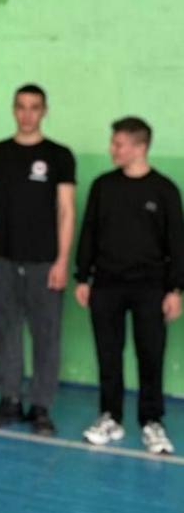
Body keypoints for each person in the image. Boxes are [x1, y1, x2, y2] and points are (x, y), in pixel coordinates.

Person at [75, 117, 183, 454]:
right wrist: (82, 277)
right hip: (106, 285)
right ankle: (110, 417)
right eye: (113, 143)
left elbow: (177, 244)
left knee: (150, 354)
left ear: (140, 147)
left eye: (119, 144)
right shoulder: (103, 186)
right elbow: (89, 232)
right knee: (108, 354)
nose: (113, 149)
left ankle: (152, 422)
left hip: (150, 288)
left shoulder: (164, 190)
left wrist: (175, 290)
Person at [0, 83, 75, 436]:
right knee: (6, 331)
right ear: (13, 110)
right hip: (3, 257)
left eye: (35, 107)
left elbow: (66, 211)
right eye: (21, 106)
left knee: (46, 335)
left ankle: (41, 406)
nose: (27, 114)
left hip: (44, 261)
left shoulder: (59, 155)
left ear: (44, 111)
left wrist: (62, 261)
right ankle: (9, 400)